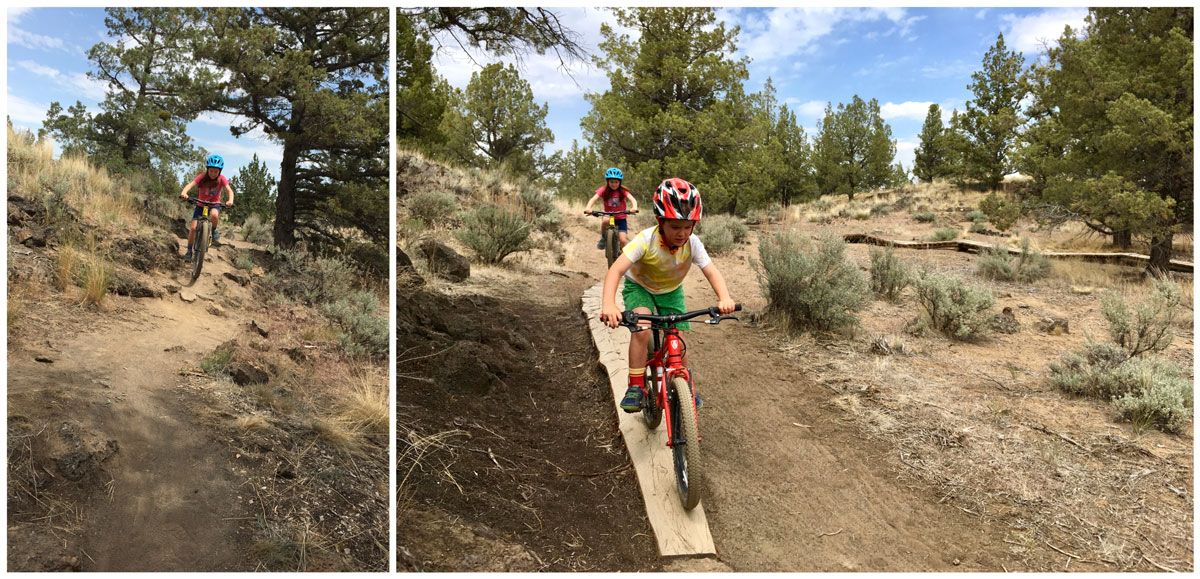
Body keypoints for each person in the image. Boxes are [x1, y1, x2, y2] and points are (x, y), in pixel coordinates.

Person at [598, 178, 736, 412]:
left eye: (688, 226)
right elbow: (616, 270)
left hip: (671, 291)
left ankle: (684, 384)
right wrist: (608, 304)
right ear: (660, 222)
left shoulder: (693, 243)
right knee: (641, 327)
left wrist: (724, 297)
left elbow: (711, 271)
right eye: (674, 226)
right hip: (639, 287)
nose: (682, 233)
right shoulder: (645, 240)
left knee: (678, 338)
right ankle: (636, 385)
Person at [179, 154, 235, 259]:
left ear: (220, 171)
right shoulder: (202, 176)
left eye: (216, 171)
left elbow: (229, 190)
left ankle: (213, 231)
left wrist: (230, 200)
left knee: (214, 215)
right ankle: (189, 251)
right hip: (200, 204)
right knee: (193, 228)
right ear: (208, 169)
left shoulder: (222, 179)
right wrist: (184, 193)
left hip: (214, 204)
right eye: (211, 171)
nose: (213, 173)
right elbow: (190, 185)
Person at [582, 167, 638, 250]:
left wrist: (634, 207)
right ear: (607, 181)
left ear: (620, 182)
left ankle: (623, 255)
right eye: (611, 182)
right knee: (605, 220)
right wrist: (588, 208)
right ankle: (603, 238)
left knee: (623, 240)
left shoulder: (622, 190)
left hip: (621, 217)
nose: (614, 184)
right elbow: (593, 199)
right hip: (609, 215)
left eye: (616, 182)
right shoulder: (603, 190)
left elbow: (632, 199)